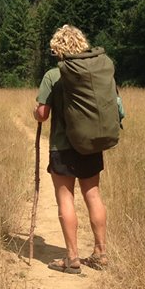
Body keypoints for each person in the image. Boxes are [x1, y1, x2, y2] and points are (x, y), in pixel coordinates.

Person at [34, 24, 113, 274]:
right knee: (93, 195)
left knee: (65, 198)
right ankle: (100, 253)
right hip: (90, 144)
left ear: (57, 48)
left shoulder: (52, 75)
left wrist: (35, 111)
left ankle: (72, 258)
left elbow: (42, 115)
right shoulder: (94, 73)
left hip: (63, 146)